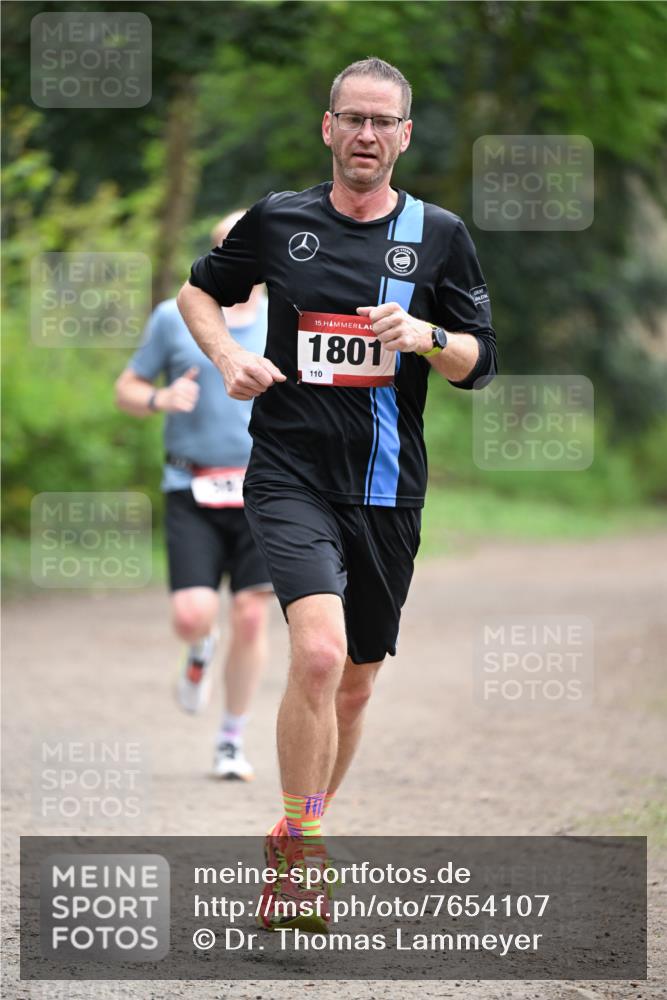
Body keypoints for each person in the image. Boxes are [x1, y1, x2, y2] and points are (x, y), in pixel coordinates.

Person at [177, 58, 498, 929]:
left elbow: (479, 362)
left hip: (389, 489)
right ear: (327, 128)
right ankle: (307, 860)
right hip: (289, 472)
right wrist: (229, 356)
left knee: (353, 685)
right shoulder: (280, 222)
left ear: (402, 135)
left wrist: (428, 333)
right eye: (350, 119)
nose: (365, 135)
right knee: (315, 655)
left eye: (380, 122)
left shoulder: (439, 235)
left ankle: (293, 832)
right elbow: (198, 293)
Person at [115, 212, 273, 782]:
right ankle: (201, 647)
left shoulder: (287, 318)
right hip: (192, 485)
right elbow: (126, 389)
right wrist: (158, 401)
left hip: (265, 488)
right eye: (227, 247)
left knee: (253, 616)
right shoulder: (173, 317)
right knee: (192, 614)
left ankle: (231, 739)